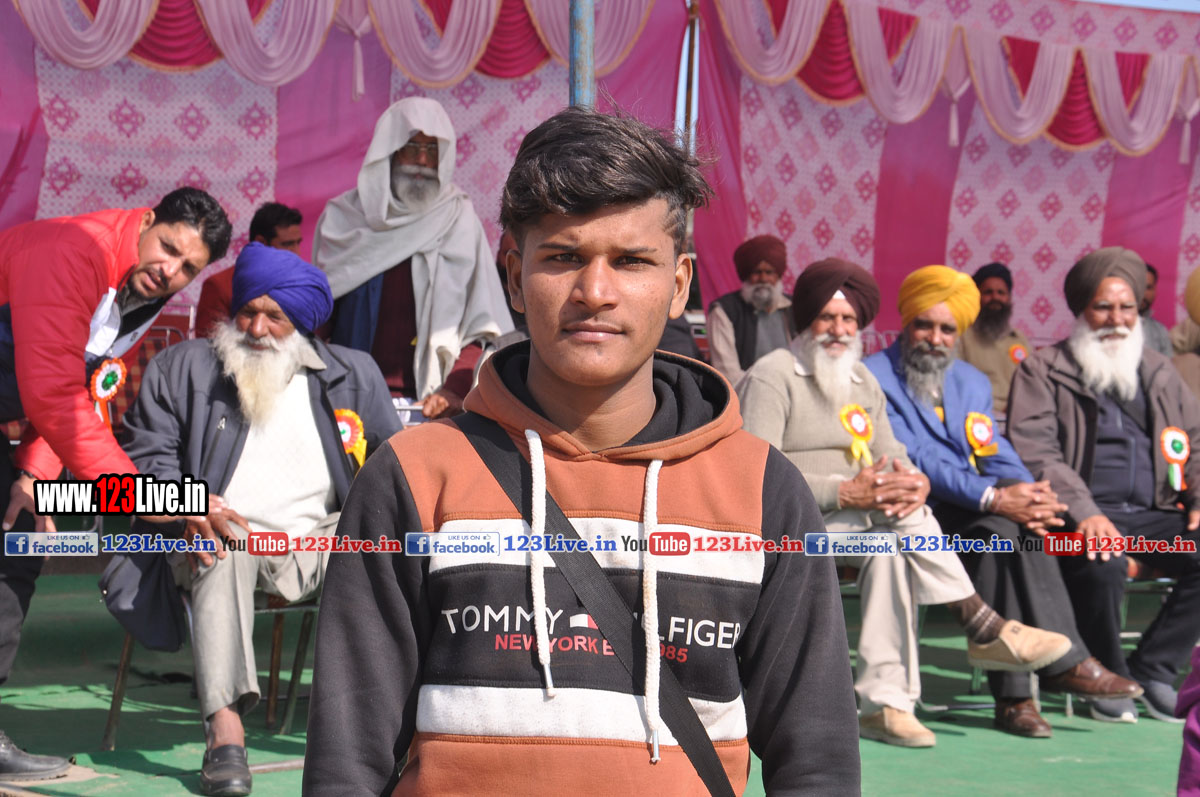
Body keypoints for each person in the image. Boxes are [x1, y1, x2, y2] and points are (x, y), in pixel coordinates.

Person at [304, 107, 861, 795]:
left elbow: (817, 759)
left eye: (631, 261)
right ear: (514, 278)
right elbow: (347, 760)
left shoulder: (764, 491)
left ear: (679, 284)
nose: (595, 293)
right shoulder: (413, 478)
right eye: (564, 257)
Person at [738, 258, 1070, 748]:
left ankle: (886, 706)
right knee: (905, 524)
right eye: (827, 317)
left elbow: (892, 453)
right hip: (787, 530)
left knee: (893, 543)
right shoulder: (773, 375)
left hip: (857, 526)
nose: (838, 329)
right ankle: (982, 625)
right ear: (805, 321)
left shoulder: (861, 380)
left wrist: (911, 481)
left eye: (848, 319)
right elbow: (754, 473)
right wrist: (842, 491)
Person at [121, 242, 399, 795]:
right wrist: (185, 503)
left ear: (302, 321)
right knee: (221, 545)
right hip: (223, 536)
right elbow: (143, 460)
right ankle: (225, 732)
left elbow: (396, 464)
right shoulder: (183, 369)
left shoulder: (352, 374)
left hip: (320, 543)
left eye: (275, 316)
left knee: (380, 542)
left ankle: (383, 729)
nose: (256, 328)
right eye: (248, 311)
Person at [0, 187, 230, 781]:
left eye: (189, 268)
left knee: (14, 551)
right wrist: (158, 498)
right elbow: (54, 393)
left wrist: (33, 472)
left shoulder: (141, 288)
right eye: (168, 248)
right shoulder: (71, 252)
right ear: (146, 220)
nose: (171, 271)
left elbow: (77, 378)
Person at [864, 265, 1142, 738]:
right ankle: (1050, 675)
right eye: (924, 325)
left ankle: (1022, 697)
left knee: (1015, 531)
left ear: (959, 333)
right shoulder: (873, 376)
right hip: (919, 512)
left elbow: (992, 445)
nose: (935, 339)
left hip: (979, 513)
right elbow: (917, 456)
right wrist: (994, 497)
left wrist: (1028, 491)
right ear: (905, 323)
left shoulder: (969, 380)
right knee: (999, 529)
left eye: (947, 329)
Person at [1008, 247, 1200, 724]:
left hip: (1154, 517)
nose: (1117, 319)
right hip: (1075, 520)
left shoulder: (1159, 370)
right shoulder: (1043, 369)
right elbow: (1037, 451)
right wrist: (1086, 511)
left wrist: (1198, 493)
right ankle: (1107, 673)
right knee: (1103, 561)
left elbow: (1194, 441)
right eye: (1103, 307)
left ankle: (1154, 667)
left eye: (1126, 307)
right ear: (1081, 310)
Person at [314, 97, 513, 420]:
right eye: (411, 147)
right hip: (348, 404)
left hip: (432, 408)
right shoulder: (343, 219)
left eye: (432, 150)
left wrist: (453, 389)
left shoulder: (459, 219)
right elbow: (318, 319)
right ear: (389, 151)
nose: (422, 160)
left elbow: (483, 326)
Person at [195, 201, 303, 338]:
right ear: (260, 242)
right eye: (287, 244)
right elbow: (208, 345)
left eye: (298, 243)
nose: (296, 252)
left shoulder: (299, 286)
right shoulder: (219, 286)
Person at [706, 234, 793, 385]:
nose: (763, 279)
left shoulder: (793, 308)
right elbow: (728, 374)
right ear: (746, 276)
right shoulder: (723, 311)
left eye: (769, 272)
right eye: (757, 272)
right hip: (745, 394)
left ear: (778, 276)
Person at [958, 262, 1030, 418]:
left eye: (1001, 292)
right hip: (977, 416)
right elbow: (955, 385)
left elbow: (1032, 384)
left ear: (1009, 298)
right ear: (977, 297)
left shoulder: (1019, 339)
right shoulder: (962, 338)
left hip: (1018, 416)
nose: (995, 297)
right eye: (988, 292)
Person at [1140, 263, 1173, 358]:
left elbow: (1168, 365)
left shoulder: (1160, 331)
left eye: (1148, 288)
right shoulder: (1116, 325)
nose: (1143, 293)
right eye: (1139, 286)